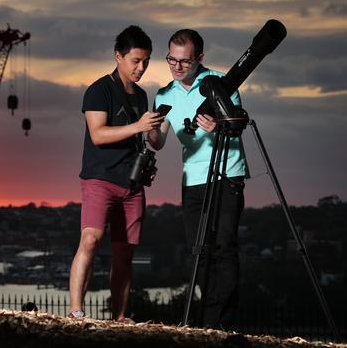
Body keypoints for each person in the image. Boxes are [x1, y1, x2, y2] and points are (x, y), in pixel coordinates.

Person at [147, 29, 249, 328]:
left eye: (184, 61)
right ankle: (211, 322)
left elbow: (238, 124)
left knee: (224, 249)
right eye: (171, 60)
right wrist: (149, 128)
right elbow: (158, 141)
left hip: (226, 173)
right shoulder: (164, 94)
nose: (176, 67)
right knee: (199, 254)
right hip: (192, 180)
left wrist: (218, 125)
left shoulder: (223, 82)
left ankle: (219, 324)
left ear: (200, 59)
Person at [68, 25, 163, 322]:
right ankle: (75, 311)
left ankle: (120, 317)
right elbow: (98, 135)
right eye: (136, 60)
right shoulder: (98, 90)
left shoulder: (142, 97)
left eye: (146, 61)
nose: (141, 67)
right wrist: (138, 126)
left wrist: (147, 152)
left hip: (132, 184)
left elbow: (144, 140)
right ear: (118, 56)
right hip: (100, 178)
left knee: (125, 254)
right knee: (91, 240)